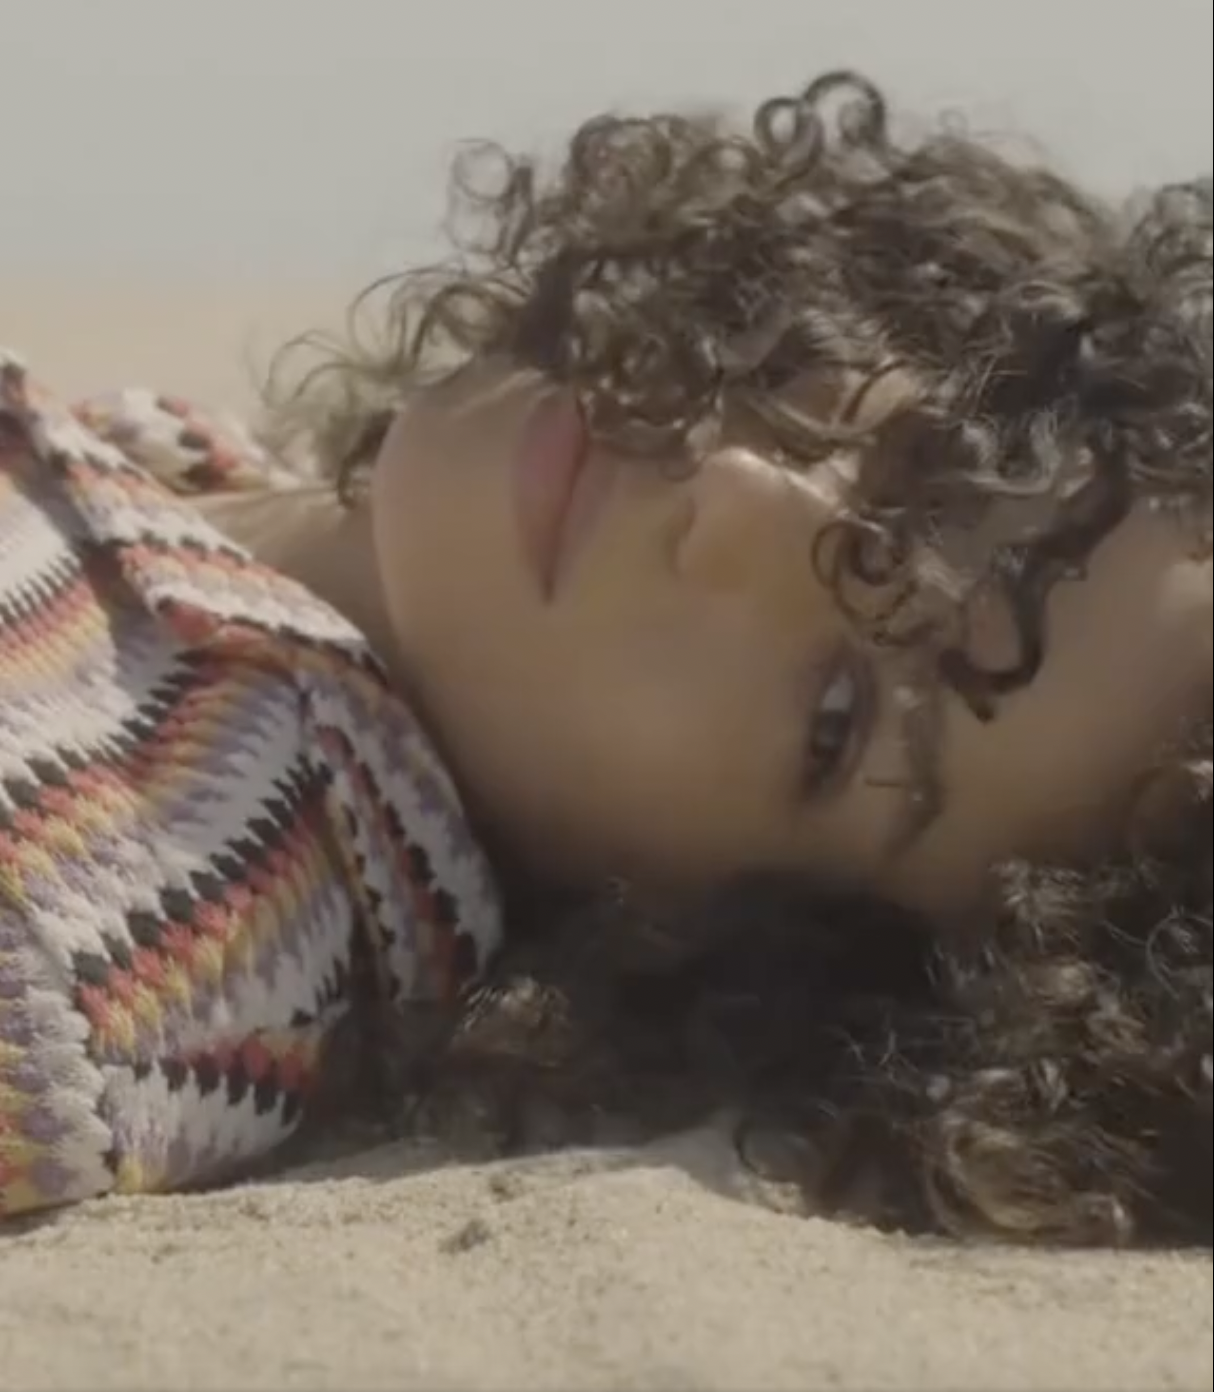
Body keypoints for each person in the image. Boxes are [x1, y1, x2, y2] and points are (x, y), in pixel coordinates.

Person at [2, 72, 1209, 1243]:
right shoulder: (185, 508)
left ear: (745, 963)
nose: (738, 500)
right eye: (920, 475)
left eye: (833, 719)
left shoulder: (146, 912)